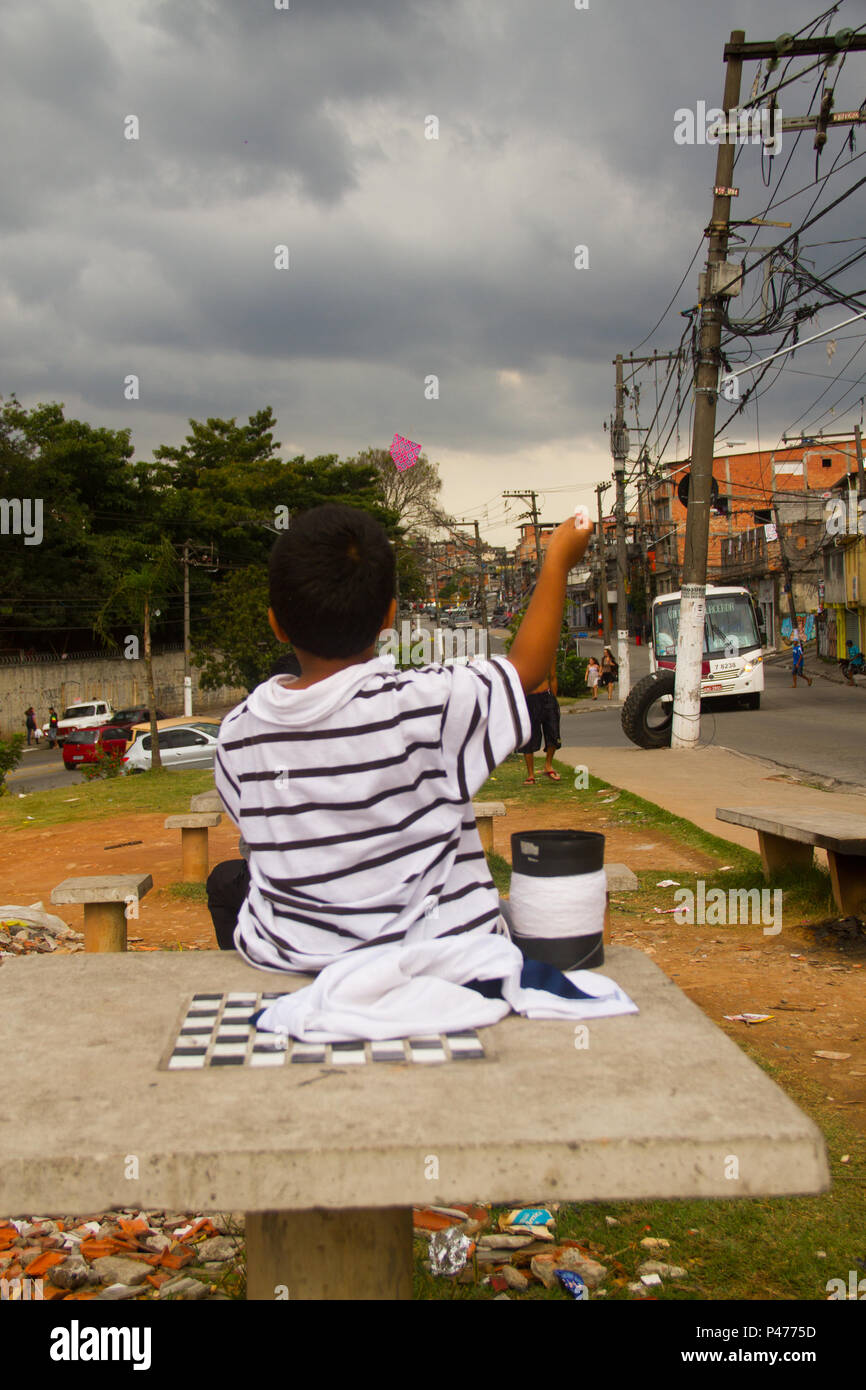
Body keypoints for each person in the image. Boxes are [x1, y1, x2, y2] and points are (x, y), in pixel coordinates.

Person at [211, 502, 593, 969]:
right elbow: (527, 670)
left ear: (275, 623)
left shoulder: (236, 736)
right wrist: (555, 562)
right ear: (389, 617)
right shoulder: (428, 702)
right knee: (521, 922)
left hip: (297, 960)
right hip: (439, 954)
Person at [519, 660, 561, 784]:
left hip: (547, 697)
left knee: (553, 733)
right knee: (529, 737)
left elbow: (553, 677)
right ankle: (530, 775)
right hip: (529, 699)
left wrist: (554, 700)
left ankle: (548, 765)